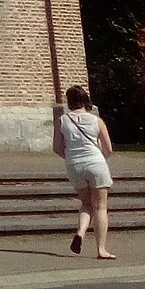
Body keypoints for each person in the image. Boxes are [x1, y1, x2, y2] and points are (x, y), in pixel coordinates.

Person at [54, 85, 115, 259]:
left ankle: (80, 232)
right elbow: (108, 148)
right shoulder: (96, 120)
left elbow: (56, 147)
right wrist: (101, 159)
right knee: (101, 207)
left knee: (86, 203)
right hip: (96, 162)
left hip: (74, 165)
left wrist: (71, 157)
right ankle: (101, 249)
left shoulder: (62, 120)